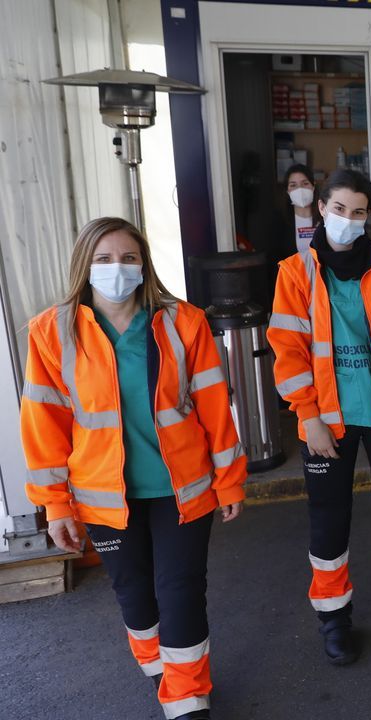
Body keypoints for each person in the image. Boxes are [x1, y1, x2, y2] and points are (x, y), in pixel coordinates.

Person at [19, 217, 246, 720]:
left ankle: (187, 697)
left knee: (181, 590)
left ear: (144, 265)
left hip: (180, 488)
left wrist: (229, 479)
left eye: (127, 258)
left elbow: (214, 406)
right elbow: (43, 425)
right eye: (103, 259)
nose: (117, 269)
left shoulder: (182, 322)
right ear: (84, 266)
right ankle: (160, 670)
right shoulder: (52, 333)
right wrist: (55, 504)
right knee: (135, 595)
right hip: (103, 496)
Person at [267, 169, 371, 665]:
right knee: (328, 524)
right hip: (326, 422)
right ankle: (334, 619)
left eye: (358, 211)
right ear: (320, 207)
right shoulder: (294, 271)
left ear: (368, 216)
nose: (347, 219)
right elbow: (289, 352)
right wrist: (309, 416)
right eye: (338, 208)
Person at [283, 163, 322, 257]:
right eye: (293, 185)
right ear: (287, 191)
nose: (300, 189)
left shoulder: (325, 219)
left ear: (313, 186)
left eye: (305, 183)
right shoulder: (280, 224)